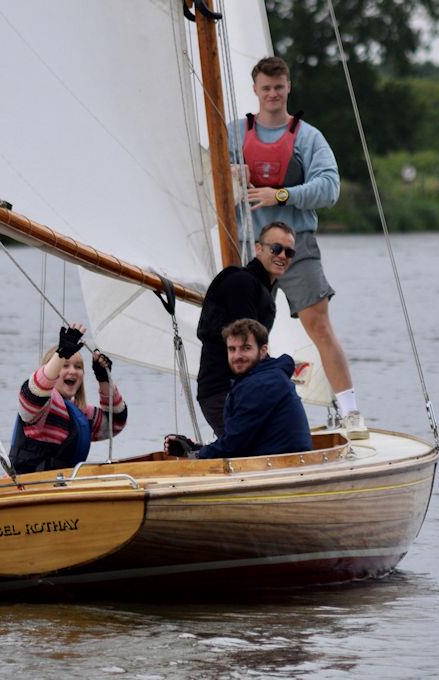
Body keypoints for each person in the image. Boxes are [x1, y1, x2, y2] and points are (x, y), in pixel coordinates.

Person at [228, 55, 368, 439]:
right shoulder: (233, 133)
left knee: (319, 326)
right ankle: (241, 414)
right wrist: (229, 174)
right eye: (265, 88)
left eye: (279, 87)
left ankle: (352, 413)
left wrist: (282, 194)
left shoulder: (308, 137)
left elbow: (330, 188)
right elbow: (206, 180)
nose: (272, 94)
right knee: (240, 335)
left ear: (287, 88)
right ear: (255, 90)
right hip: (251, 249)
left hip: (296, 245)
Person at [197, 221, 296, 436]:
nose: (282, 256)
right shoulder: (241, 283)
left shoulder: (259, 288)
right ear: (258, 248)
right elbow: (246, 344)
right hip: (223, 391)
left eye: (289, 252)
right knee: (252, 451)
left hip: (239, 389)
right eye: (276, 248)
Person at [167, 318, 311, 460]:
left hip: (279, 467)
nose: (237, 356)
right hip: (275, 461)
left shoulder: (261, 384)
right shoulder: (265, 376)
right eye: (232, 349)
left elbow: (234, 445)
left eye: (246, 348)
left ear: (263, 350)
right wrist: (196, 448)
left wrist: (195, 454)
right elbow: (241, 442)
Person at [9, 323, 128, 474]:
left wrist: (104, 379)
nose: (72, 371)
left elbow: (115, 424)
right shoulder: (43, 406)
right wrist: (61, 354)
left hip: (62, 487)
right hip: (29, 487)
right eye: (65, 366)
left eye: (78, 367)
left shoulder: (81, 414)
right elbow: (34, 394)